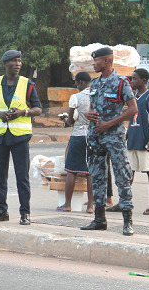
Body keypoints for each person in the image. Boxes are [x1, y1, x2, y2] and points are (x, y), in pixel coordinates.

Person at [81, 47, 137, 236]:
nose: (93, 64)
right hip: (95, 136)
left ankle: (127, 221)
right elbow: (92, 107)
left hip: (114, 137)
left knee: (121, 175)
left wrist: (110, 124)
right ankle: (99, 219)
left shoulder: (121, 83)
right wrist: (88, 114)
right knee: (97, 177)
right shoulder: (95, 83)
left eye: (96, 61)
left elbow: (132, 109)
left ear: (106, 61)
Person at [0, 50, 42, 225]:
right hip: (0, 137)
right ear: (5, 64)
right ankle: (2, 211)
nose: (18, 64)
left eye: (19, 61)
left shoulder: (27, 84)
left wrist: (23, 112)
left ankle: (25, 213)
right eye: (14, 61)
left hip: (20, 137)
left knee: (21, 176)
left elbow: (38, 109)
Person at [59, 72, 94, 214]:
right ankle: (91, 206)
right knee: (90, 172)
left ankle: (67, 204)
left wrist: (66, 120)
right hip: (92, 135)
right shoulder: (95, 96)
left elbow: (71, 120)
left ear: (80, 82)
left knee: (72, 170)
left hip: (78, 135)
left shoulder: (75, 97)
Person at [126, 68, 149, 215]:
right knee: (129, 172)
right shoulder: (132, 97)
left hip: (145, 139)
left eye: (135, 79)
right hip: (133, 138)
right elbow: (131, 117)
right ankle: (124, 201)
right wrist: (126, 134)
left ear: (143, 81)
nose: (132, 81)